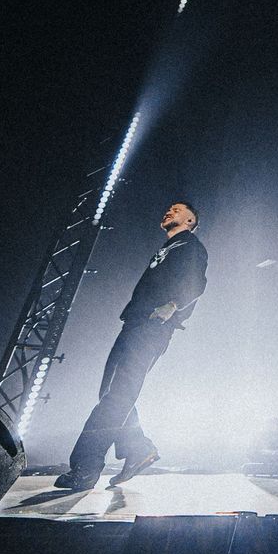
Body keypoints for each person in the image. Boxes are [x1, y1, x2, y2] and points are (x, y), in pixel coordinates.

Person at [54, 201, 209, 490]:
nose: (169, 211)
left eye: (177, 210)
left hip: (152, 326)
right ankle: (137, 447)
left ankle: (86, 468)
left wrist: (173, 306)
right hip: (136, 323)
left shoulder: (191, 246)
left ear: (190, 221)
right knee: (112, 393)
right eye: (168, 208)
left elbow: (197, 283)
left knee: (117, 395)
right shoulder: (167, 249)